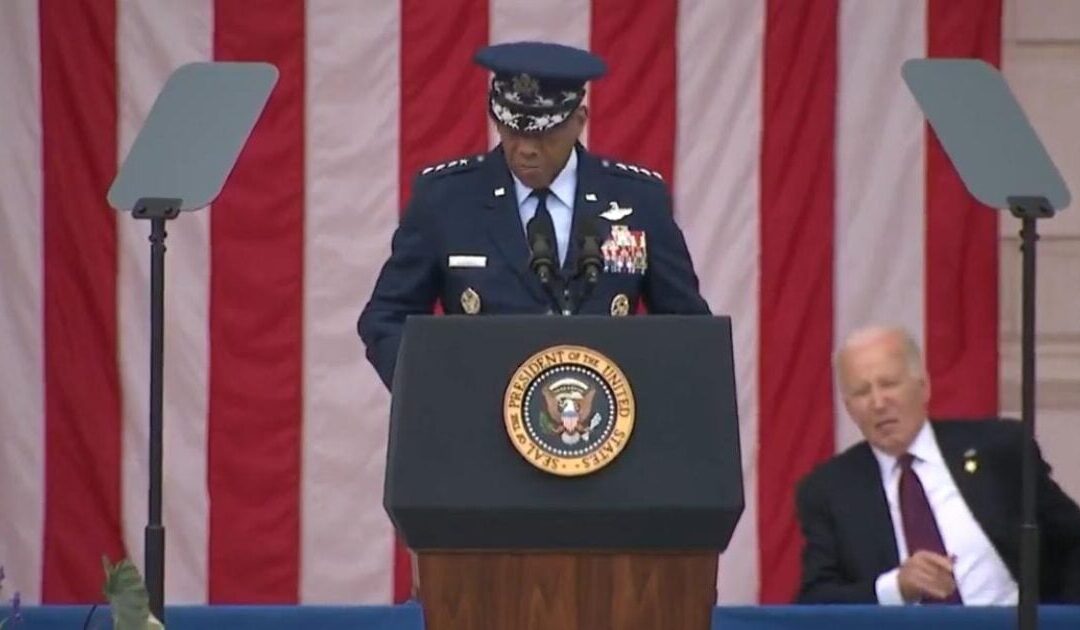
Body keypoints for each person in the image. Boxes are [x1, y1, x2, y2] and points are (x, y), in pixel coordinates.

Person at [357, 41, 709, 389]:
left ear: (579, 121)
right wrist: (434, 396)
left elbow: (689, 329)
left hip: (603, 424)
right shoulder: (447, 199)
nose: (526, 149)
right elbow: (386, 318)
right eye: (513, 130)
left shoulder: (637, 199)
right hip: (481, 423)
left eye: (544, 134)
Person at [796, 325, 1080, 605]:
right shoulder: (829, 490)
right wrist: (895, 587)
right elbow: (816, 601)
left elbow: (1072, 541)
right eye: (861, 392)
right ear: (848, 408)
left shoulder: (1000, 449)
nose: (878, 403)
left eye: (889, 384)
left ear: (923, 387)